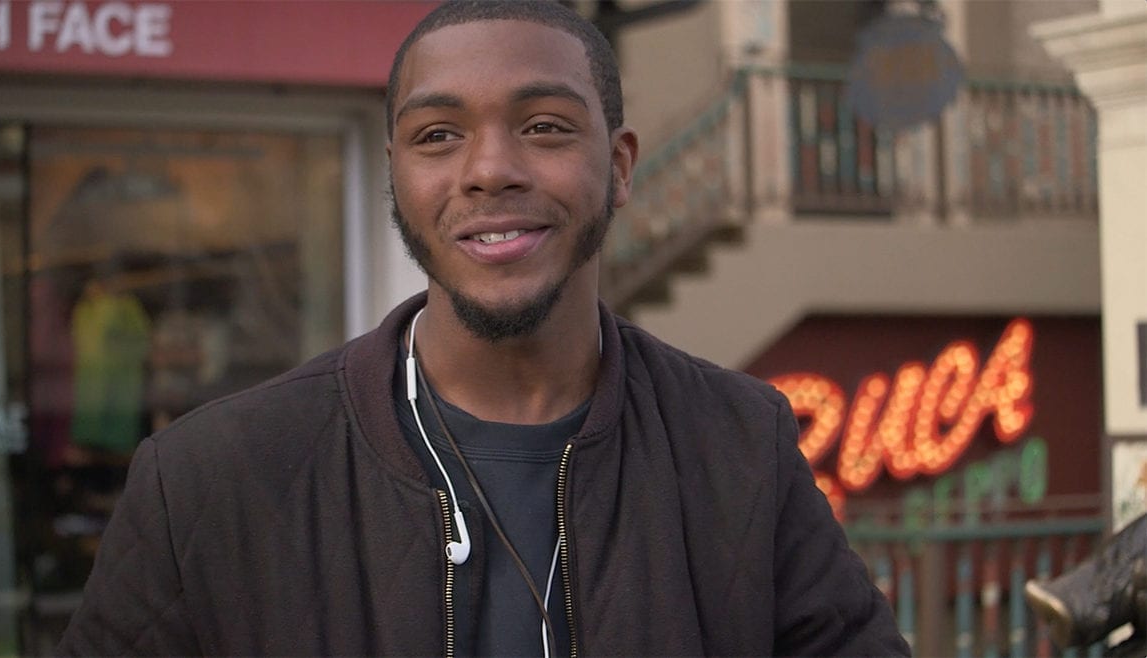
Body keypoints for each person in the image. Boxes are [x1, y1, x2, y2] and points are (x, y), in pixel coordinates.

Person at [57, 2, 910, 656]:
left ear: (617, 168)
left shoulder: (738, 444)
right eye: (438, 136)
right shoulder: (209, 479)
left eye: (543, 126)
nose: (490, 169)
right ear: (397, 178)